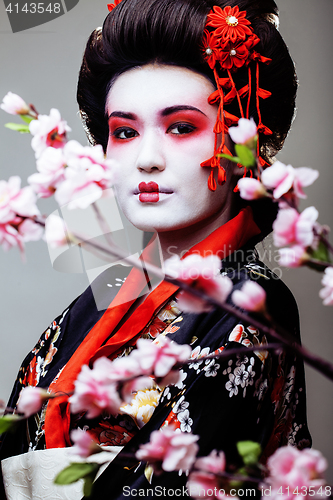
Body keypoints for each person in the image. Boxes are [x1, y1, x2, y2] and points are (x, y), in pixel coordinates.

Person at [0, 0, 311, 498]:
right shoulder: (105, 294)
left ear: (240, 147)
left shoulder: (252, 303)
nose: (146, 159)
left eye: (181, 127)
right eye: (124, 132)